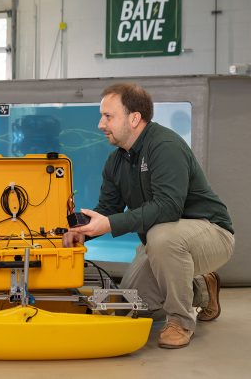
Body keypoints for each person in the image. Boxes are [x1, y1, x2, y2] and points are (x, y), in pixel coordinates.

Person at [63, 83, 235, 349]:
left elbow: (168, 207)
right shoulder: (116, 162)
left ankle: (181, 320)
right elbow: (107, 208)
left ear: (134, 118)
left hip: (211, 233)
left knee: (161, 236)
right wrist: (81, 231)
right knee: (129, 304)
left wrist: (109, 224)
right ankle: (201, 288)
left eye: (108, 116)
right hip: (161, 243)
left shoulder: (165, 146)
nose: (100, 124)